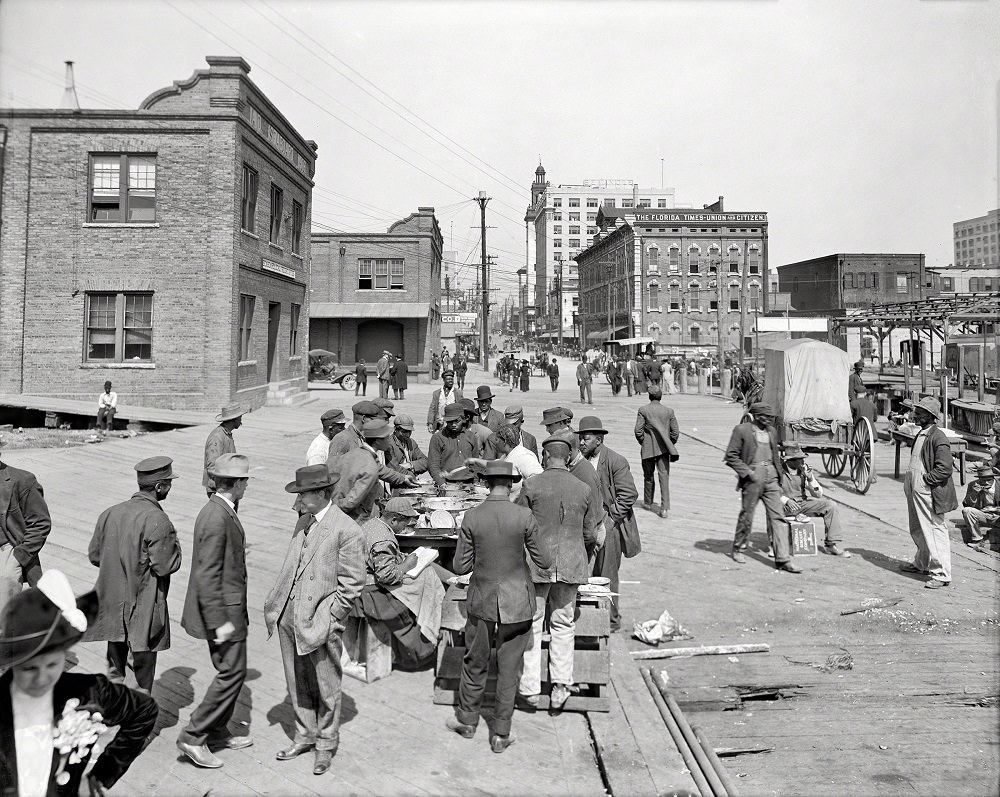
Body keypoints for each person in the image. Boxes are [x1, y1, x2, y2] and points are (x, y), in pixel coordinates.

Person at [0, 569, 158, 797]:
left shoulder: (88, 693)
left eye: (53, 665)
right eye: (30, 668)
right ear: (13, 664)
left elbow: (144, 711)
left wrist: (102, 776)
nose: (43, 679)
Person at [264, 465, 365, 777]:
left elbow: (352, 585)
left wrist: (331, 618)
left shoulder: (347, 530)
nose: (299, 501)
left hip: (320, 622)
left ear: (322, 493)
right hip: (288, 616)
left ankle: (325, 743)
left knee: (326, 684)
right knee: (297, 681)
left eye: (304, 494)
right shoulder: (304, 522)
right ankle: (304, 734)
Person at [446, 461, 550, 753]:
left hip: (481, 599)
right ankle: (501, 733)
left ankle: (467, 721)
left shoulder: (472, 516)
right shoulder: (524, 515)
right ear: (512, 483)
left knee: (475, 660)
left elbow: (460, 565)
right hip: (517, 601)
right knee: (509, 667)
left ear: (486, 483)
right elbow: (545, 561)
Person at [178, 454, 255, 768]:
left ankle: (217, 730)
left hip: (228, 607)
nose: (247, 484)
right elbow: (206, 575)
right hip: (223, 613)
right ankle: (193, 735)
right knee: (232, 673)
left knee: (233, 672)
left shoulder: (221, 509)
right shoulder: (216, 516)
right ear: (236, 484)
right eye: (245, 480)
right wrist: (219, 622)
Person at [516, 437, 600, 709]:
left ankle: (529, 687)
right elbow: (590, 533)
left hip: (537, 565)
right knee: (564, 624)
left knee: (532, 622)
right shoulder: (583, 488)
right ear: (568, 457)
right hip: (571, 564)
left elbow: (519, 524)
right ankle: (561, 686)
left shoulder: (532, 485)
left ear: (544, 455)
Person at [86, 456, 183, 694]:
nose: (170, 487)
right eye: (168, 483)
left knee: (115, 668)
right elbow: (165, 566)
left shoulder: (110, 513)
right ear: (159, 487)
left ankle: (114, 718)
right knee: (140, 672)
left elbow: (95, 556)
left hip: (113, 606)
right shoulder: (158, 519)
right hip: (143, 608)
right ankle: (136, 727)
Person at [359, 497, 448, 670]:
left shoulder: (372, 524)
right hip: (373, 590)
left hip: (368, 579)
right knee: (425, 582)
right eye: (404, 524)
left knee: (428, 573)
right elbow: (386, 576)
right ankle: (422, 651)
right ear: (393, 520)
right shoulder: (383, 539)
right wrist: (406, 565)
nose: (404, 529)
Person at [576, 416, 639, 631]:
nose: (582, 443)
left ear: (599, 441)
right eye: (581, 439)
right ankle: (590, 617)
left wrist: (610, 520)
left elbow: (629, 494)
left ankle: (612, 621)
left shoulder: (615, 461)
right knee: (587, 573)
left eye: (586, 439)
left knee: (608, 574)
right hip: (587, 524)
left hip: (609, 526)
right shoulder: (579, 460)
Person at [723, 402, 801, 572]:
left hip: (772, 478)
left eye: (771, 417)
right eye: (766, 417)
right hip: (753, 478)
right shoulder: (742, 430)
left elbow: (775, 456)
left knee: (778, 517)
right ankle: (738, 548)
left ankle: (783, 559)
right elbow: (731, 456)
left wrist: (778, 476)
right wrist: (748, 473)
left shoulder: (772, 432)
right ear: (757, 416)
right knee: (747, 515)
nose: (770, 420)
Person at [900, 397, 957, 589]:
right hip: (914, 487)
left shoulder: (938, 437)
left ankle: (941, 574)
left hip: (926, 489)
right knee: (918, 528)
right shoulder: (922, 434)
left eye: (920, 412)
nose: (915, 415)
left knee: (934, 529)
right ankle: (921, 563)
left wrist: (925, 481)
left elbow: (944, 469)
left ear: (930, 416)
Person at [0, 435, 51, 613]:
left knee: (6, 582)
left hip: (7, 547)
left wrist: (19, 555)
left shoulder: (22, 481)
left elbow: (41, 523)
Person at [778, 443, 850, 557]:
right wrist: (786, 500)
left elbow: (818, 494)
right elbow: (771, 491)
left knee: (831, 506)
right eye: (798, 459)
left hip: (801, 504)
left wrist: (810, 478)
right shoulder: (778, 471)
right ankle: (776, 545)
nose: (801, 462)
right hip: (784, 506)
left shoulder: (803, 471)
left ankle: (831, 544)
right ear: (789, 460)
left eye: (802, 459)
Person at [331, 419, 405, 522]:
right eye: (387, 437)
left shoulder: (356, 453)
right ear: (378, 441)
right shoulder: (370, 468)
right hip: (354, 521)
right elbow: (350, 503)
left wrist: (403, 478)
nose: (390, 440)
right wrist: (331, 511)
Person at [634, 387, 679, 518]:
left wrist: (644, 441)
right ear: (660, 397)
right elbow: (675, 432)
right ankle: (664, 508)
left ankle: (648, 502)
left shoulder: (643, 410)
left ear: (649, 396)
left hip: (648, 448)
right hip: (664, 449)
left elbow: (638, 431)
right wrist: (668, 442)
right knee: (664, 477)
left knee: (648, 476)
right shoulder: (669, 411)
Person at [427, 404, 479, 486]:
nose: (453, 424)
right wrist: (441, 482)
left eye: (457, 421)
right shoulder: (437, 438)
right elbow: (433, 464)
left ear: (463, 419)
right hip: (447, 483)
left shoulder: (471, 437)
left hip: (469, 483)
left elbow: (476, 463)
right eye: (450, 421)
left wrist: (476, 482)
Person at [203, 404, 243, 499]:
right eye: (240, 418)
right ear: (234, 419)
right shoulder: (217, 437)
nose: (241, 422)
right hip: (219, 490)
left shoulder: (226, 434)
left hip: (228, 488)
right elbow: (212, 468)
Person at [960, 463, 999, 549]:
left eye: (988, 480)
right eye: (983, 480)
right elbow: (966, 504)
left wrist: (995, 509)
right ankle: (978, 540)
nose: (986, 482)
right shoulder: (973, 485)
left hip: (997, 516)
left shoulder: (999, 485)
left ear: (993, 478)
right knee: (967, 511)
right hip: (984, 515)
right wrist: (974, 493)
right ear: (979, 479)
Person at [426, 369, 463, 433]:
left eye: (452, 379)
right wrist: (430, 423)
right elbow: (432, 408)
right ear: (444, 380)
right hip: (440, 423)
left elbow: (461, 408)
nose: (450, 381)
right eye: (448, 379)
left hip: (453, 423)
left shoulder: (458, 393)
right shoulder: (437, 393)